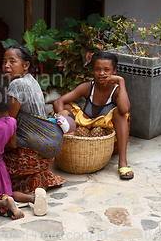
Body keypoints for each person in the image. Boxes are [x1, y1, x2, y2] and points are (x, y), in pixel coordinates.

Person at [0, 86, 48, 218]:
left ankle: (5, 203)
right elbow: (12, 144)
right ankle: (32, 199)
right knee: (8, 192)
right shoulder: (12, 122)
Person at [53, 51, 133, 179]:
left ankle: (122, 162)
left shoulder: (116, 90)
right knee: (64, 109)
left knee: (119, 113)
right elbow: (59, 101)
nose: (101, 73)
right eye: (97, 69)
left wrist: (121, 81)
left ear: (114, 71)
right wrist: (65, 122)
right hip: (84, 134)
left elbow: (124, 109)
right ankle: (60, 148)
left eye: (107, 70)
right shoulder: (87, 87)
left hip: (108, 139)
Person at [2, 45, 64, 194]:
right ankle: (39, 178)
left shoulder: (17, 84)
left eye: (12, 61)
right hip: (46, 154)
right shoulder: (31, 80)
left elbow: (9, 122)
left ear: (26, 65)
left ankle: (14, 183)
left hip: (31, 156)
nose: (6, 65)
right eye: (4, 61)